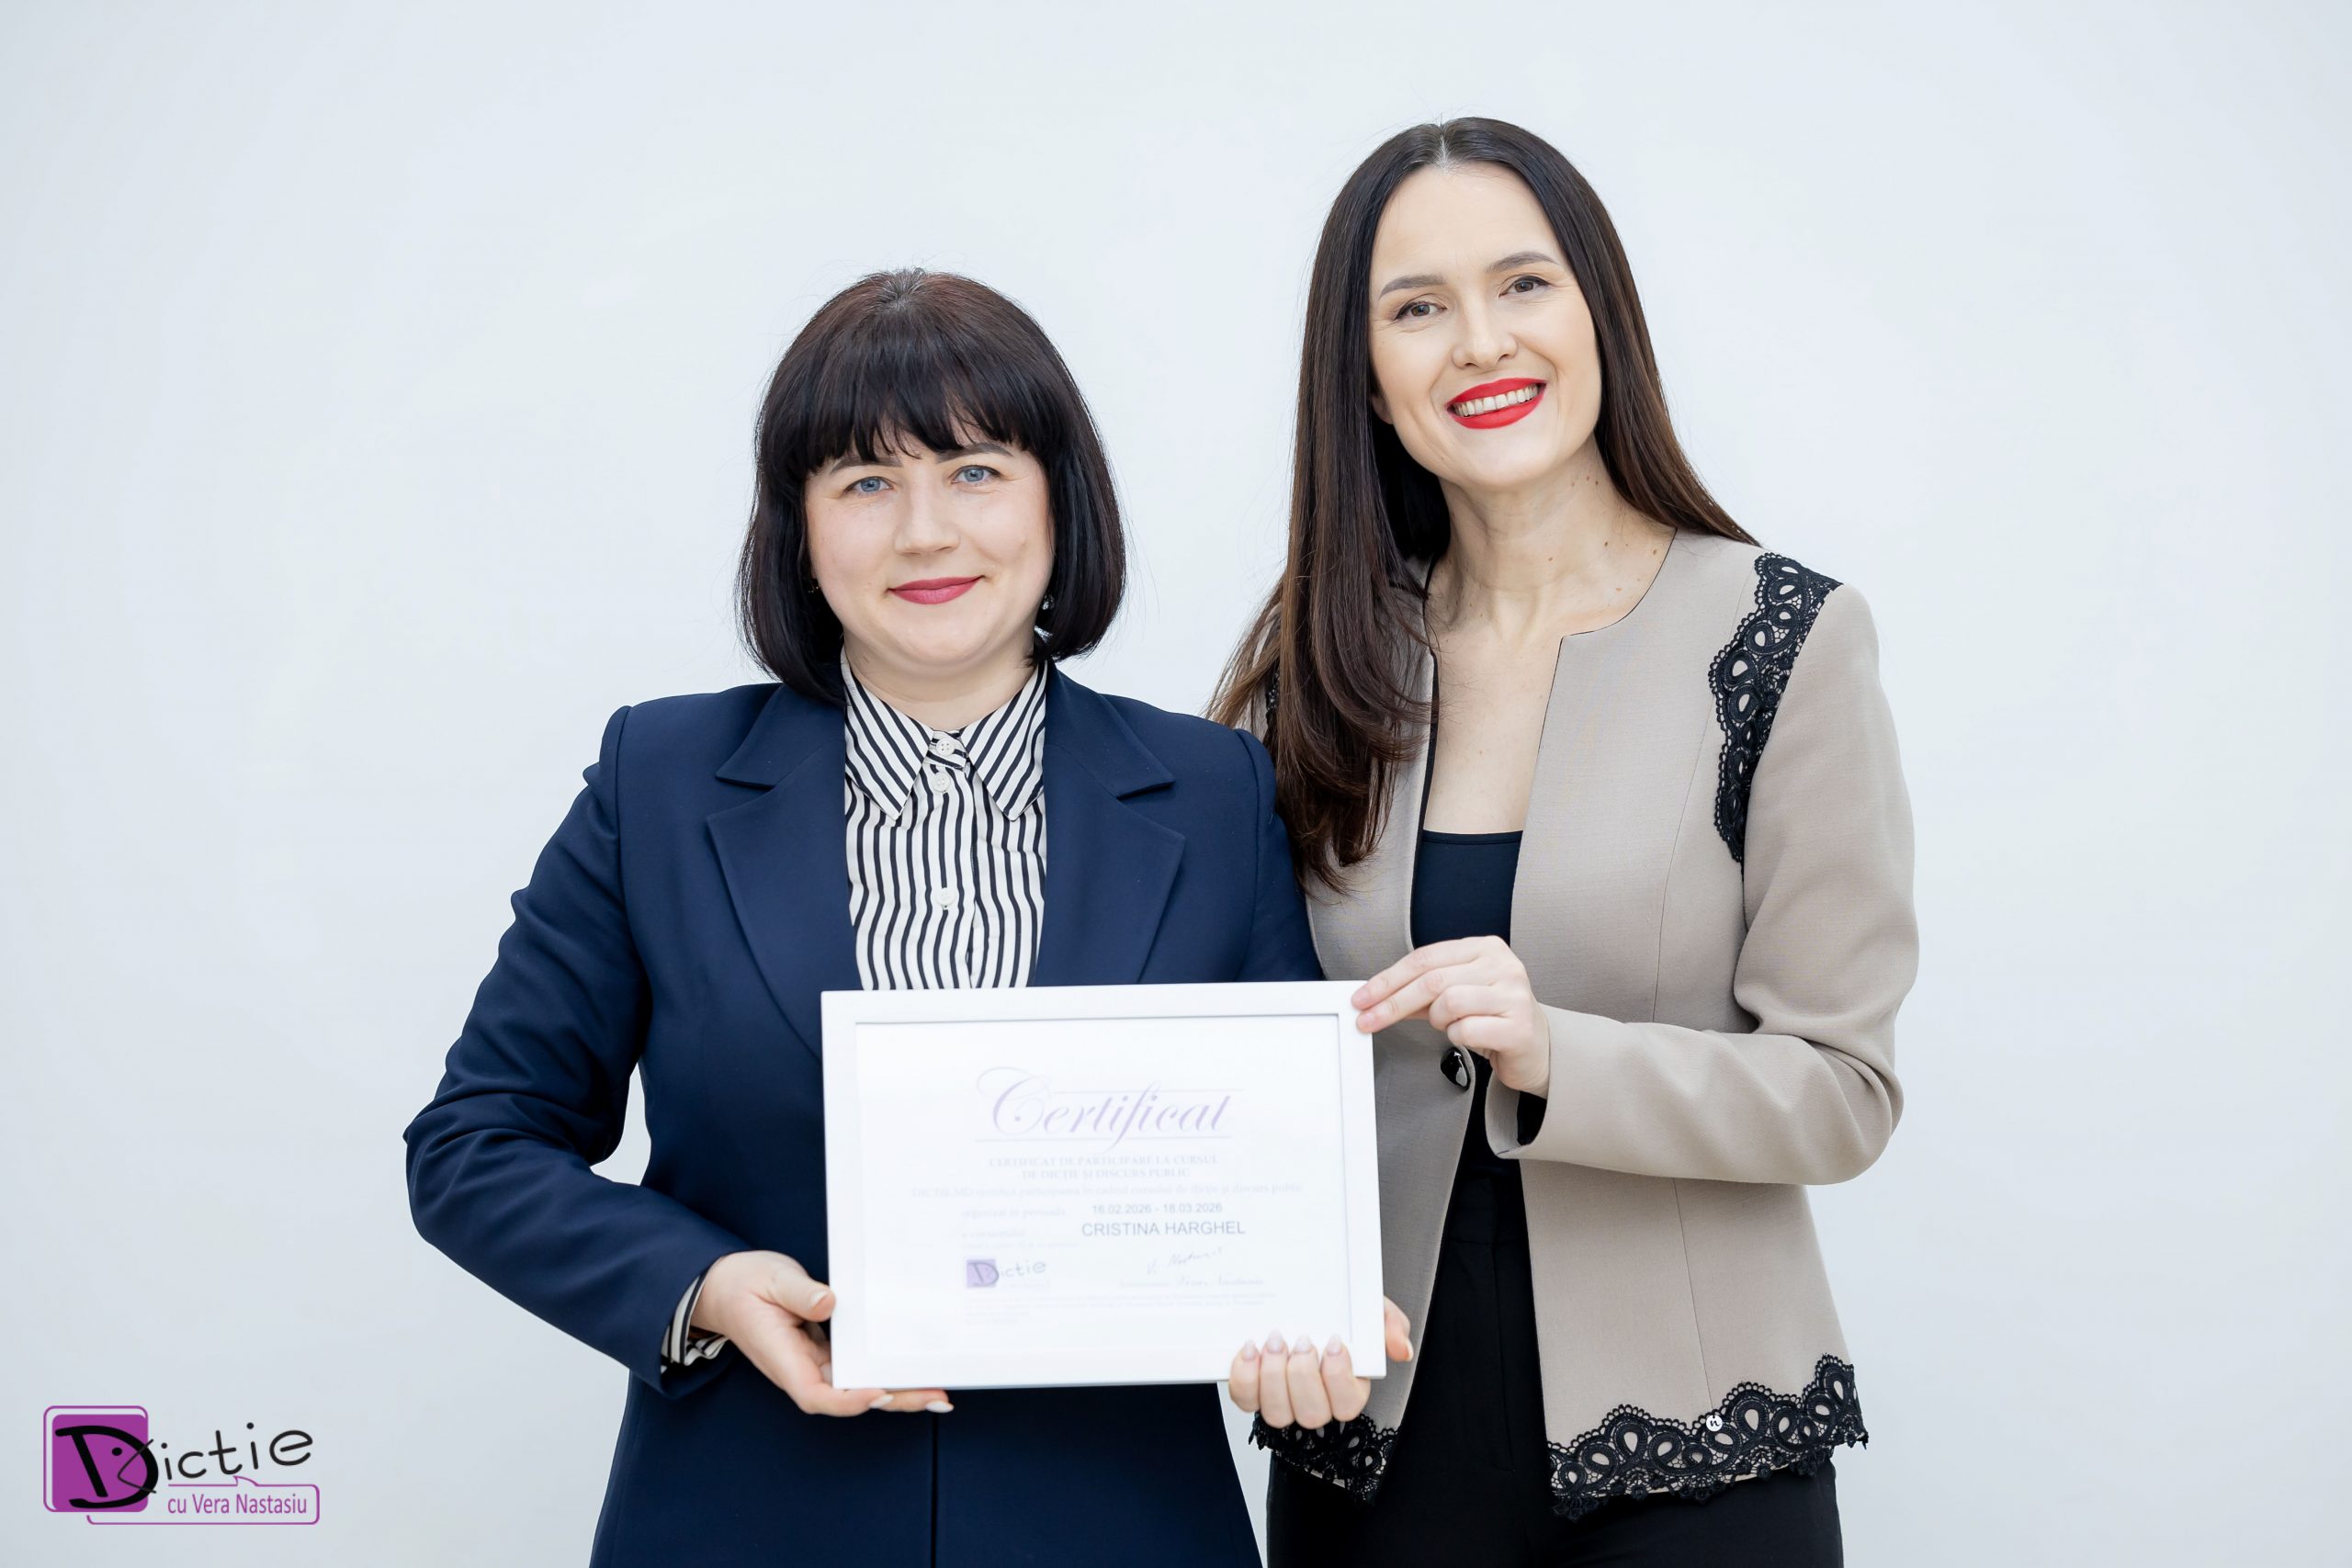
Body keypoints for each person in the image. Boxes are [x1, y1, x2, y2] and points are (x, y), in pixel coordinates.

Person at [403, 268, 1337, 1567]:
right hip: (748, 1517)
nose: (924, 533)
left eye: (975, 471)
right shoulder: (657, 784)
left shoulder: (1214, 792)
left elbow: (1288, 1177)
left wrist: (1306, 1320)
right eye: (863, 482)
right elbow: (474, 1144)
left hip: (1116, 1519)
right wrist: (703, 1287)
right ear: (797, 528)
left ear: (1059, 500)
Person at [1216, 118, 1918, 1566]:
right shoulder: (1316, 661)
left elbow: (1843, 1092)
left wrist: (1559, 1053)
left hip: (1699, 1449)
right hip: (1373, 1444)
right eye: (1418, 308)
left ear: (1601, 313)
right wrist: (1245, 1295)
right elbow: (1237, 1057)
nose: (1482, 342)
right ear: (1366, 378)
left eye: (1523, 284)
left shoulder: (1784, 637)